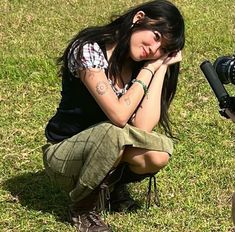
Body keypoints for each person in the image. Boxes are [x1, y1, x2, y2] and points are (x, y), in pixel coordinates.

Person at [42, 0, 185, 231]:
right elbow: (119, 116)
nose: (154, 49)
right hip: (64, 154)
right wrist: (150, 69)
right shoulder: (89, 48)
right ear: (139, 18)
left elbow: (142, 126)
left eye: (163, 49)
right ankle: (83, 208)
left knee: (158, 154)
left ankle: (108, 188)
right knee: (113, 131)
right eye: (156, 37)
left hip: (108, 144)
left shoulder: (141, 64)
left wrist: (160, 67)